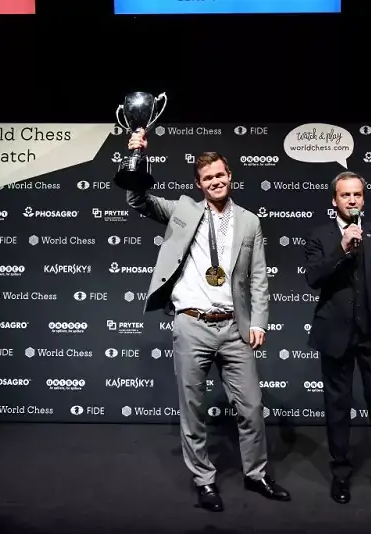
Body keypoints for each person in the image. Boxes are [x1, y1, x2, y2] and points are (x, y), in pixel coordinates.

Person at [125, 128, 290, 512]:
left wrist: (259, 322)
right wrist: (136, 156)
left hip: (235, 327)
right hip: (192, 324)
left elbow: (260, 277)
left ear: (230, 176)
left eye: (220, 175)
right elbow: (138, 201)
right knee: (193, 409)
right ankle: (204, 480)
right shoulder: (183, 211)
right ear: (198, 184)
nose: (215, 181)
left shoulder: (249, 222)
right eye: (207, 178)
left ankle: (256, 475)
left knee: (250, 407)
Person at [303, 171, 371, 504]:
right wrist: (343, 247)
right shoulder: (320, 236)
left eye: (357, 195)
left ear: (364, 198)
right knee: (337, 406)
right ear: (333, 200)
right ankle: (340, 474)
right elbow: (313, 278)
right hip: (335, 334)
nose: (352, 200)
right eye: (345, 195)